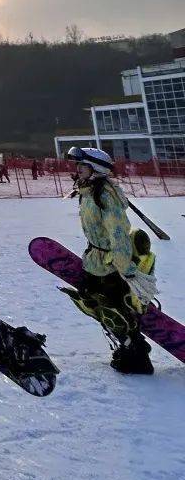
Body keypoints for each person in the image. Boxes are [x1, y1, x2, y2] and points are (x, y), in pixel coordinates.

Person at [63, 146, 152, 374]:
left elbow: (119, 234)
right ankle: (127, 349)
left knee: (117, 312)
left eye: (81, 166)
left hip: (111, 264)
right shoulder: (88, 191)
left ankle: (137, 358)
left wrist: (125, 267)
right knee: (98, 306)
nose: (77, 170)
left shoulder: (105, 196)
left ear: (95, 169)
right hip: (95, 260)